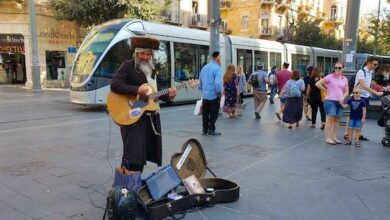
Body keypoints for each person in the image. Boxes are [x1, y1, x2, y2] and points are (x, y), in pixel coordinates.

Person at [110, 36, 177, 173]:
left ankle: (135, 186)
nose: (145, 57)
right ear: (136, 53)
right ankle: (125, 190)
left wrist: (169, 96)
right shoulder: (128, 66)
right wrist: (136, 90)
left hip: (148, 118)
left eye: (148, 54)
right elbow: (115, 85)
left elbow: (152, 94)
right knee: (132, 156)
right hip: (132, 117)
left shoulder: (152, 70)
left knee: (141, 156)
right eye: (142, 53)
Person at [347, 57, 383, 141]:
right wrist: (375, 92)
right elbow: (363, 85)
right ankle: (348, 134)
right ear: (369, 63)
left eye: (377, 65)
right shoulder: (361, 72)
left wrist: (369, 93)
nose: (376, 66)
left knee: (362, 116)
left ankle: (358, 134)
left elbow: (367, 84)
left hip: (365, 97)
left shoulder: (370, 72)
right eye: (375, 64)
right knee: (353, 116)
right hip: (358, 96)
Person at [315, 62, 349, 145]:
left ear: (343, 69)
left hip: (340, 101)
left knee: (337, 121)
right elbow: (317, 84)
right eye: (336, 67)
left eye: (339, 68)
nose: (337, 69)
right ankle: (328, 138)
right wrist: (326, 90)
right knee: (329, 120)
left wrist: (343, 97)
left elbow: (347, 91)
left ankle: (334, 137)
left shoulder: (344, 79)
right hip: (330, 101)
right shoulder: (329, 77)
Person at [198, 51, 223, 136]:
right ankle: (211, 129)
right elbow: (217, 83)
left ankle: (204, 130)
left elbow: (200, 82)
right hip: (214, 96)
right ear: (218, 58)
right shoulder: (217, 68)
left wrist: (203, 90)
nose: (221, 59)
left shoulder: (204, 67)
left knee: (205, 113)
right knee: (214, 113)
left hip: (205, 95)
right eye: (220, 57)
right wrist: (219, 92)